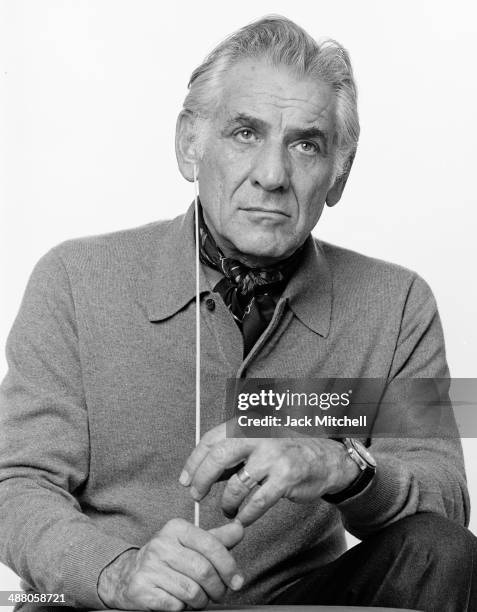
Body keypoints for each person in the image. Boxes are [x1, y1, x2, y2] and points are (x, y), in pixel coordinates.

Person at [0, 15, 475, 612]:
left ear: (339, 173)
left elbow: (448, 499)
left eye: (306, 143)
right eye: (245, 133)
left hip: (301, 600)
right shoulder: (72, 279)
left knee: (441, 548)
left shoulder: (399, 301)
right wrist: (116, 573)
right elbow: (16, 486)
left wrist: (341, 464)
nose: (273, 176)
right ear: (189, 145)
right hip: (116, 601)